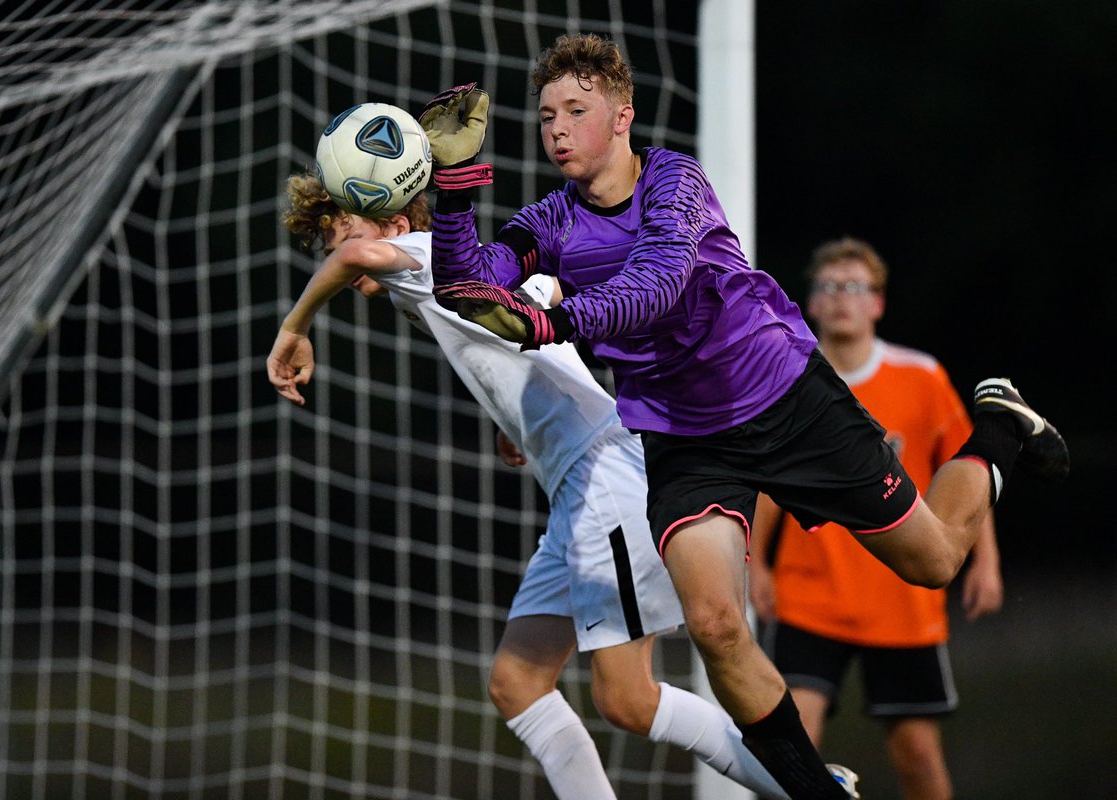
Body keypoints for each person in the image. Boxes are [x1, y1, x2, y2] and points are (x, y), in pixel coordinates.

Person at [420, 33, 1067, 799]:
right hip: (684, 442)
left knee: (933, 562)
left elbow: (654, 285)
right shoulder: (548, 223)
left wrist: (550, 324)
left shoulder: (675, 182)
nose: (557, 128)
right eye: (545, 115)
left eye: (576, 110)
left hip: (786, 399)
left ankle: (999, 425)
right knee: (717, 624)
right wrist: (456, 185)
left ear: (622, 117)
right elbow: (465, 287)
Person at [266, 178, 803, 799]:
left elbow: (356, 259)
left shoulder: (425, 256)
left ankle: (805, 786)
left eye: (344, 234)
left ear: (391, 223)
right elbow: (543, 301)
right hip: (576, 488)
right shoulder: (452, 273)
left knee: (627, 698)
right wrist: (521, 412)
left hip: (603, 481)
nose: (338, 255)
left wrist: (294, 328)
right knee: (518, 680)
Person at [749, 237, 1005, 800]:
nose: (842, 299)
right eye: (829, 287)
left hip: (901, 600)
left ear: (878, 304)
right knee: (795, 745)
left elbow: (964, 471)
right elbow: (770, 484)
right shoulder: (787, 374)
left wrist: (985, 559)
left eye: (855, 287)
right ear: (810, 303)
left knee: (916, 754)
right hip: (810, 597)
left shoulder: (921, 377)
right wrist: (756, 566)